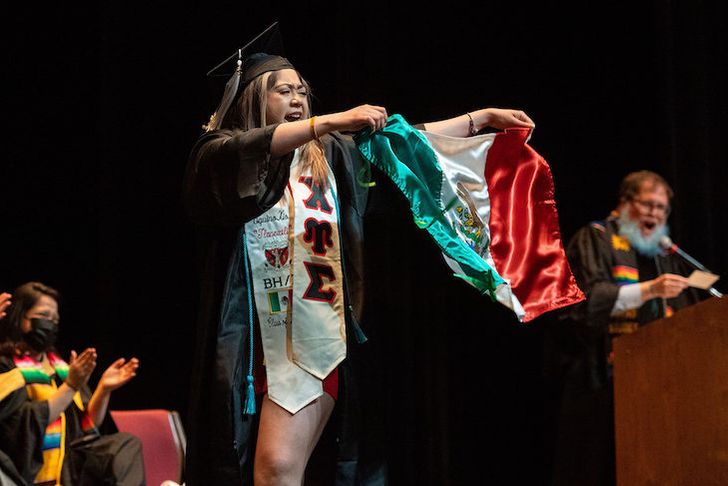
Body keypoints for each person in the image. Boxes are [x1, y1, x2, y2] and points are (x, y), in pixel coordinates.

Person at [182, 51, 534, 485]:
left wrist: (480, 118)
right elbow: (234, 154)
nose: (298, 98)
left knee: (276, 470)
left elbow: (410, 142)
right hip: (246, 348)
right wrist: (329, 121)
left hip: (310, 341)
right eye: (284, 90)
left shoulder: (328, 156)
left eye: (302, 91)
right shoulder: (223, 154)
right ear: (255, 97)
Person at [549, 170, 705, 486]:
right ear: (623, 204)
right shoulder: (595, 238)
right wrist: (650, 290)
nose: (655, 214)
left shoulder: (666, 256)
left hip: (657, 388)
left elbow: (690, 320)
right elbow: (587, 303)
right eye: (648, 205)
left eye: (662, 208)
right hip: (599, 383)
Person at [0, 282, 144, 486]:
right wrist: (70, 387)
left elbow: (86, 427)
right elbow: (24, 423)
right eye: (43, 316)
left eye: (55, 320)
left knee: (125, 444)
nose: (50, 324)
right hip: (25, 466)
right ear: (20, 317)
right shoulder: (6, 367)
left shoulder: (61, 369)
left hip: (69, 465)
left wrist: (103, 389)